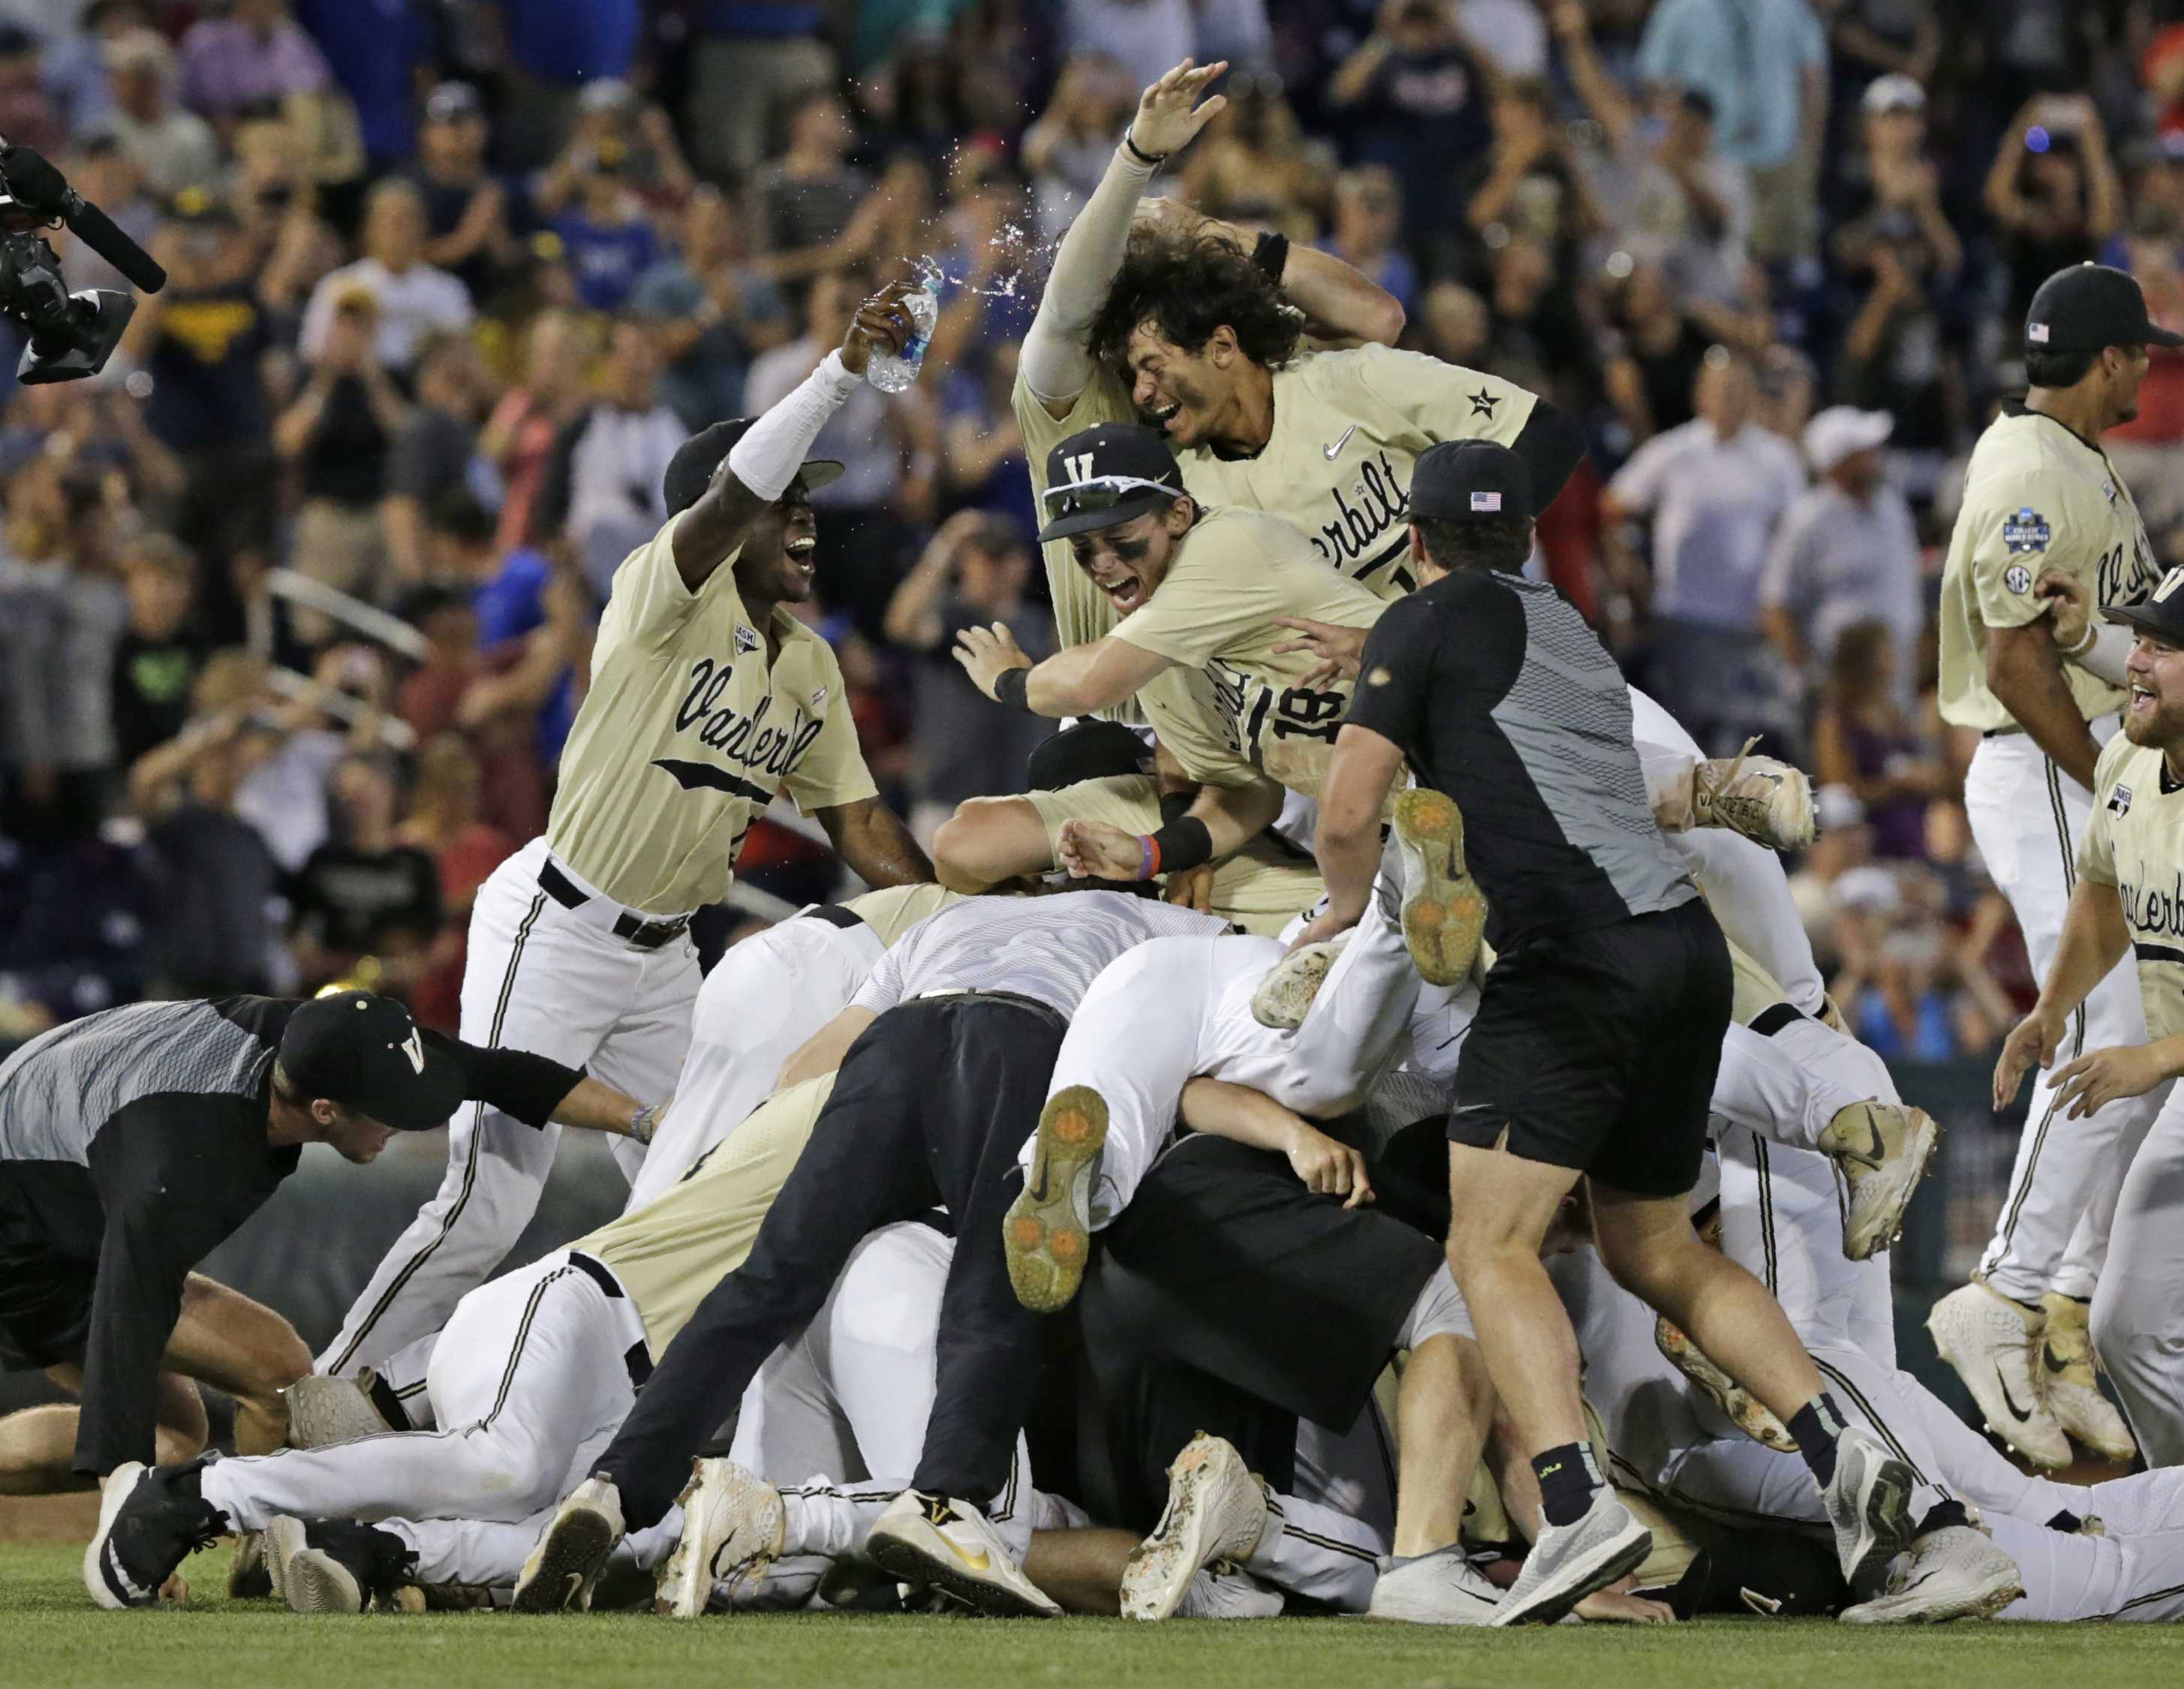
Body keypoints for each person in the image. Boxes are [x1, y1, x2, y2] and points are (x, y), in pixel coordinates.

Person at [1297, 439, 1941, 1624]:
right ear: (1528, 537)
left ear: (1415, 545)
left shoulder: (1421, 618)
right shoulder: (1571, 635)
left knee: (1485, 1243)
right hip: (1685, 957)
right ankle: (1846, 1451)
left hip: (1568, 961)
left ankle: (1573, 1506)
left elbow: (1348, 806)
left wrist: (1342, 904)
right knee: (1655, 1246)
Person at [315, 283, 935, 1407]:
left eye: (809, 501)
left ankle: (494, 1417)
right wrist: (836, 373)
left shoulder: (808, 663)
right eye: (782, 499)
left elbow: (860, 825)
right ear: (720, 510)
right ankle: (321, 1399)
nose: (802, 518)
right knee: (486, 1199)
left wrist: (954, 922)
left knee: (694, 1194)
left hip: (667, 959)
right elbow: (728, 499)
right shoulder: (662, 595)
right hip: (559, 913)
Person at [514, 891, 1233, 1618]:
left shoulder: (951, 920)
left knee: (766, 1283)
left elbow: (806, 1065)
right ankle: (945, 1505)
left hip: (898, 1041)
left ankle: (612, 1484)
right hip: (1025, 1039)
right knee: (994, 1286)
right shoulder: (1176, 928)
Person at [0, 986, 650, 1567]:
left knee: (184, 1435)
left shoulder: (328, 1040)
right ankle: (252, 1553)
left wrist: (645, 1121)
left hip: (68, 1175)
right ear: (323, 1109)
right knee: (258, 1380)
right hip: (24, 1233)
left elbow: (502, 1074)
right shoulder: (179, 1160)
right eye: (386, 1108)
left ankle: (256, 1553)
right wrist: (128, 1522)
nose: (403, 1117)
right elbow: (125, 1321)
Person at [1928, 263, 2170, 1470]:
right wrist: (2108, 783)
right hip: (2038, 761)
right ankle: (2007, 1289)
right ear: (2109, 358)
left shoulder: (2062, 454)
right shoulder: (2028, 468)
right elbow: (2014, 662)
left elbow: (2070, 632)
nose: (2149, 368)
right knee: (2103, 1014)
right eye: (2140, 351)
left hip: (2062, 761)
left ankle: (2064, 1314)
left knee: (2147, 1024)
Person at [1987, 562, 2184, 1466]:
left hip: (2173, 1068)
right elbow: (2102, 893)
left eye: (2165, 647)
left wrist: (2151, 1060)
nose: (2137, 662)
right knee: (2128, 1325)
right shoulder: (2127, 762)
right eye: (2139, 638)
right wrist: (2054, 1006)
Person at [1758, 407, 1925, 710]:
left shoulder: (1892, 507)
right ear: (1839, 463)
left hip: (1898, 682)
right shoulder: (1807, 519)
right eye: (1866, 452)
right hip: (1837, 689)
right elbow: (1775, 605)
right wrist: (1809, 676)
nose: (1878, 458)